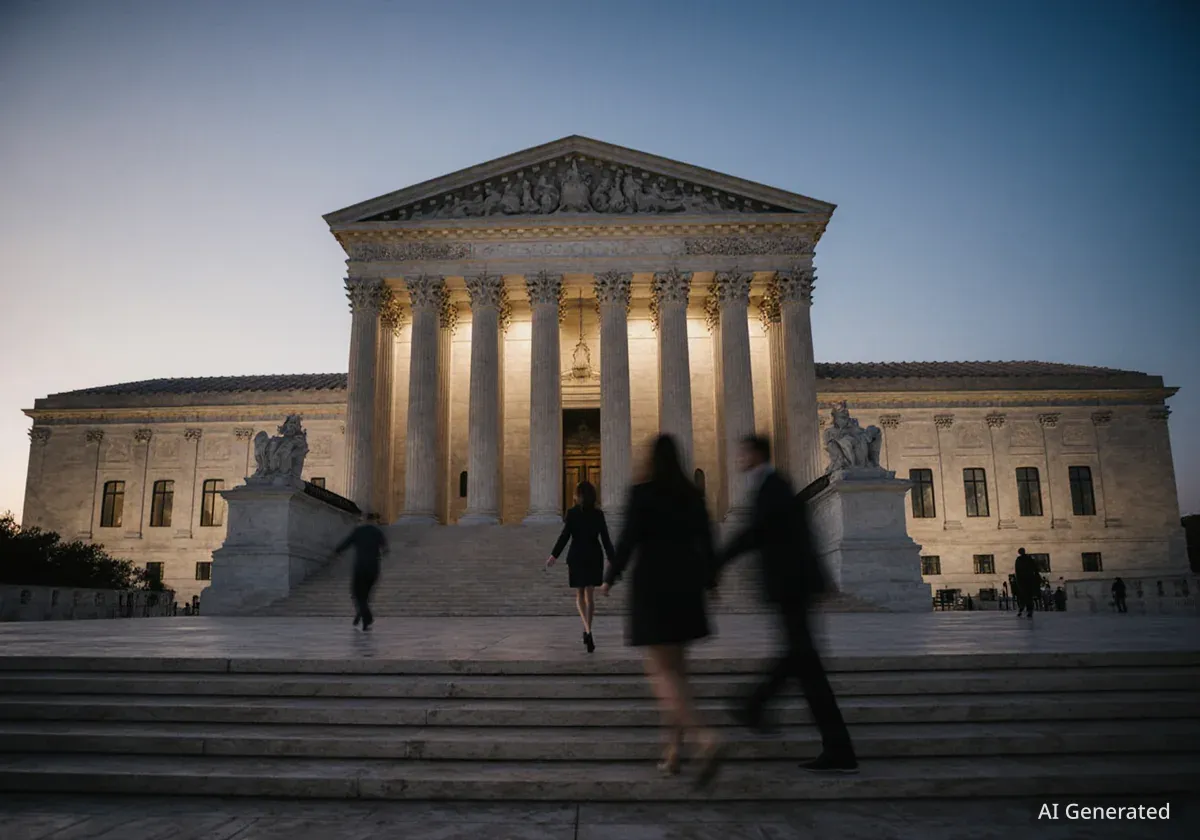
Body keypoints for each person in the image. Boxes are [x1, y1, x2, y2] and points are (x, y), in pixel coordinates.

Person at [713, 434, 858, 774]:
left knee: (803, 664)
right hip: (796, 586)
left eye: (743, 452)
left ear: (756, 454)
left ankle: (756, 705)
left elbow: (758, 533)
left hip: (791, 587)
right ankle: (763, 708)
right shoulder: (776, 485)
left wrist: (718, 561)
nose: (738, 458)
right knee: (803, 664)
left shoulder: (773, 487)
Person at [599, 435, 723, 786]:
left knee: (661, 673)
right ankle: (672, 753)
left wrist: (610, 577)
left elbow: (628, 540)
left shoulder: (644, 493)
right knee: (678, 673)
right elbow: (708, 540)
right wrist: (712, 582)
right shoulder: (691, 495)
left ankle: (704, 737)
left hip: (653, 588)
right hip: (687, 587)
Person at [546, 481, 615, 653]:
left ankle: (588, 630)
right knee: (590, 595)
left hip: (577, 555)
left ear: (577, 495)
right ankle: (587, 629)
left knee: (579, 594)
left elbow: (565, 536)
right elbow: (605, 537)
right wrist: (612, 557)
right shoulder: (598, 514)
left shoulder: (572, 513)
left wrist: (554, 555)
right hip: (593, 555)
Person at [334, 512, 388, 631]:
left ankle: (365, 615)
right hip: (373, 568)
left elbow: (346, 543)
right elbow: (385, 548)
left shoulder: (358, 531)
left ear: (364, 520)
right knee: (366, 595)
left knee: (356, 594)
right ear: (374, 521)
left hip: (360, 567)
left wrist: (337, 551)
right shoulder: (377, 532)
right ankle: (363, 615)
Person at [1014, 548, 1038, 619]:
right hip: (1029, 579)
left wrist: (1017, 580)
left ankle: (1022, 609)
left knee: (1023, 596)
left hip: (1023, 580)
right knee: (1028, 596)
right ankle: (1028, 610)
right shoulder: (1029, 559)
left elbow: (1017, 571)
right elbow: (1035, 568)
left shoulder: (1019, 560)